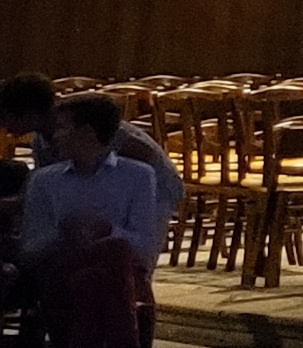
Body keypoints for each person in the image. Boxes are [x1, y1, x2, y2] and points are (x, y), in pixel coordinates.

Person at [18, 94, 159, 348]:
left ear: (88, 133)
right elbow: (29, 251)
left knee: (97, 274)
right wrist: (62, 234)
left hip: (117, 276)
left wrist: (107, 229)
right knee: (106, 260)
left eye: (63, 128)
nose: (54, 136)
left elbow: (145, 248)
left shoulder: (138, 176)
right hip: (61, 271)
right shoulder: (45, 181)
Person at [0, 74, 184, 240]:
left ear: (30, 114)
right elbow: (42, 188)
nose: (4, 126)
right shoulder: (41, 141)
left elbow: (145, 159)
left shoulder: (89, 128)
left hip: (156, 187)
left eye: (6, 117)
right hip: (110, 192)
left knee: (134, 251)